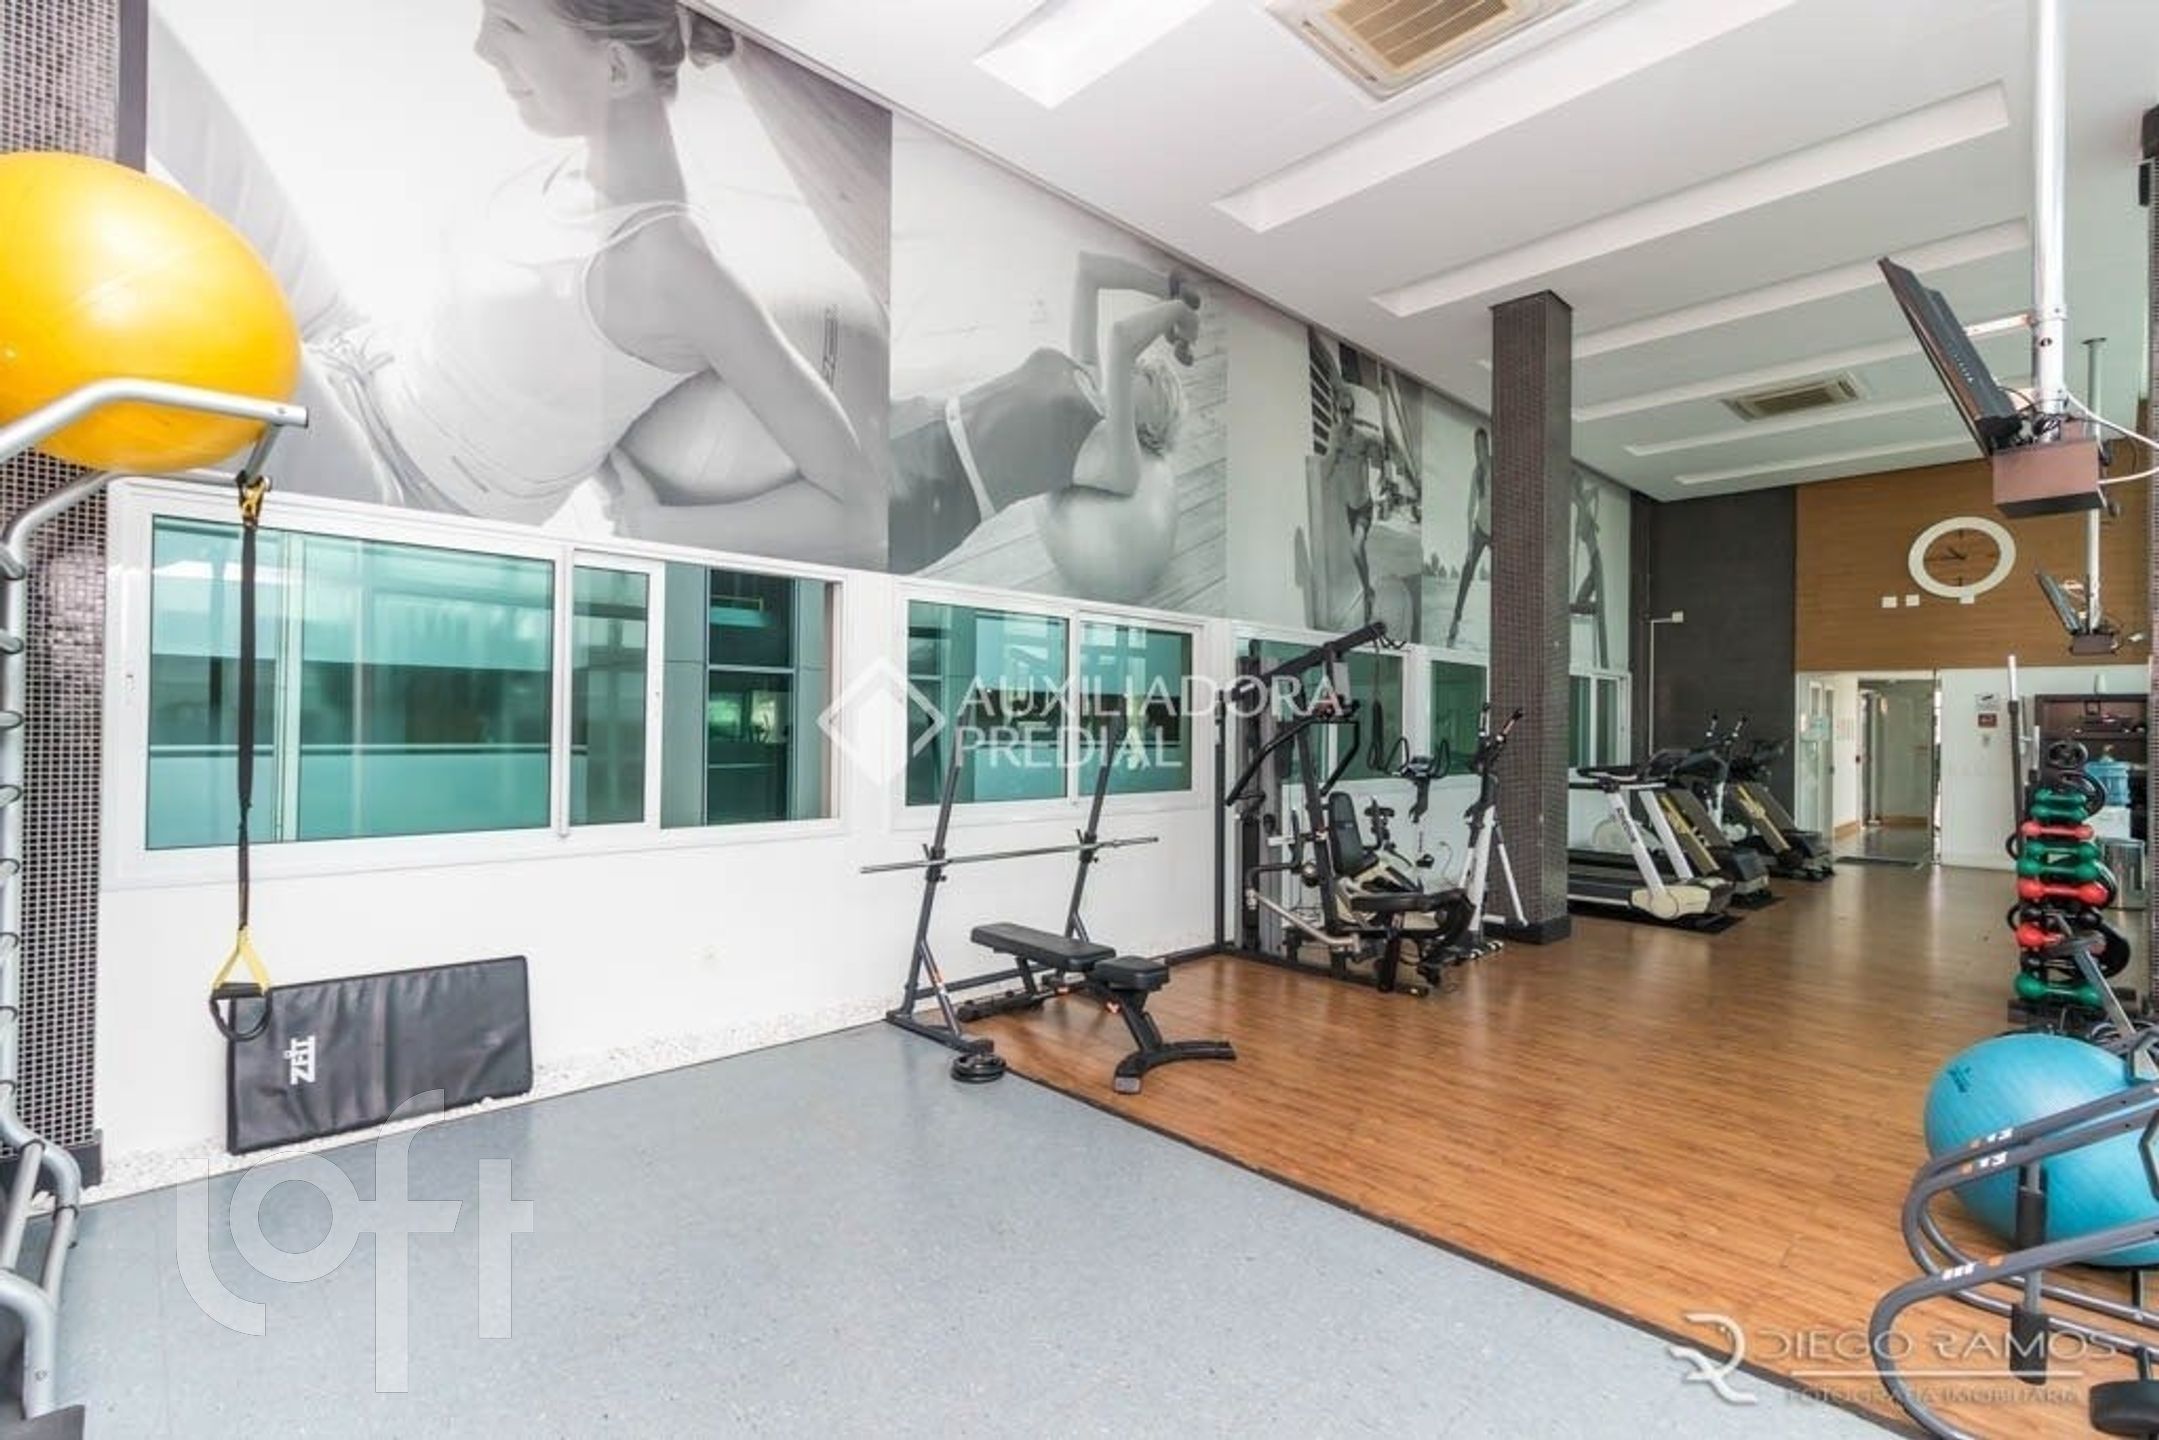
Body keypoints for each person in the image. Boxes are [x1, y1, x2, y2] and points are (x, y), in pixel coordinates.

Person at [147, 0, 885, 566]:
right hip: (350, 351)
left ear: (616, 71)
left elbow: (856, 511)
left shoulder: (675, 267)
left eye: (510, 24)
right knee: (172, 89)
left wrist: (652, 527)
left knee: (185, 281)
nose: (482, 46)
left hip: (397, 492)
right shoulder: (560, 169)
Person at [888, 251, 1200, 603]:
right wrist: (1169, 288)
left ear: (1149, 428)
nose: (1140, 373)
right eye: (1146, 372)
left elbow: (1121, 339)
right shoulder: (1087, 374)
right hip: (924, 417)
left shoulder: (1118, 466)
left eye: (1153, 383)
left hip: (937, 490)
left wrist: (1181, 312)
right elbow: (1088, 269)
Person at [1444, 427, 1492, 650]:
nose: (1479, 450)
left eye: (1482, 445)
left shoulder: (1496, 466)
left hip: (1497, 533)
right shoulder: (1477, 473)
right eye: (1476, 446)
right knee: (1467, 570)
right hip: (1480, 530)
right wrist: (1470, 545)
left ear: (1487, 445)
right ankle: (1456, 619)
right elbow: (1470, 508)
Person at [1572, 470, 1610, 668]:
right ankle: (1588, 606)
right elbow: (1588, 495)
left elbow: (1588, 496)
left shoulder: (1581, 503)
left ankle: (1604, 662)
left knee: (1589, 603)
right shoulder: (1580, 502)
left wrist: (1592, 520)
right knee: (1582, 600)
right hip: (1593, 562)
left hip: (1595, 561)